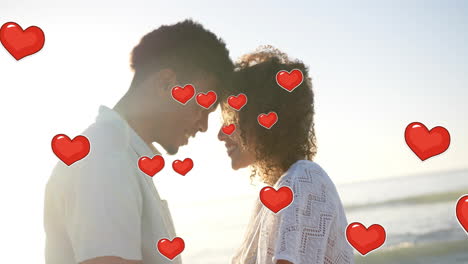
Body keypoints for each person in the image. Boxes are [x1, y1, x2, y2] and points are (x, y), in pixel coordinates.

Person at [44, 19, 234, 264]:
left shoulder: (119, 154)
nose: (204, 126)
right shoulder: (107, 157)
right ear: (166, 84)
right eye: (202, 107)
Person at [218, 46, 354, 264]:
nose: (220, 135)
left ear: (265, 120)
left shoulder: (303, 179)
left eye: (231, 122)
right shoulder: (275, 192)